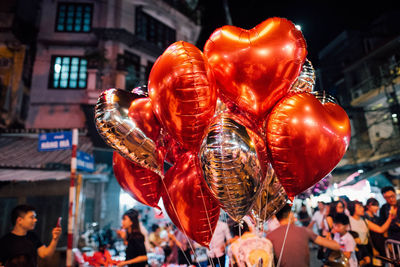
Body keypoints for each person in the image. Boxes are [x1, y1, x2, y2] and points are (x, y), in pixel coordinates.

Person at [266, 204, 340, 267]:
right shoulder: (304, 230)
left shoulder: (269, 237)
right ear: (290, 215)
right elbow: (335, 245)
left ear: (276, 218)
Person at [348, 200, 395, 266]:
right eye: (359, 207)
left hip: (366, 250)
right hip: (354, 251)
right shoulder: (348, 220)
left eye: (362, 207)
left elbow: (380, 229)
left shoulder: (364, 221)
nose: (362, 208)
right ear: (352, 208)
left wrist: (390, 218)